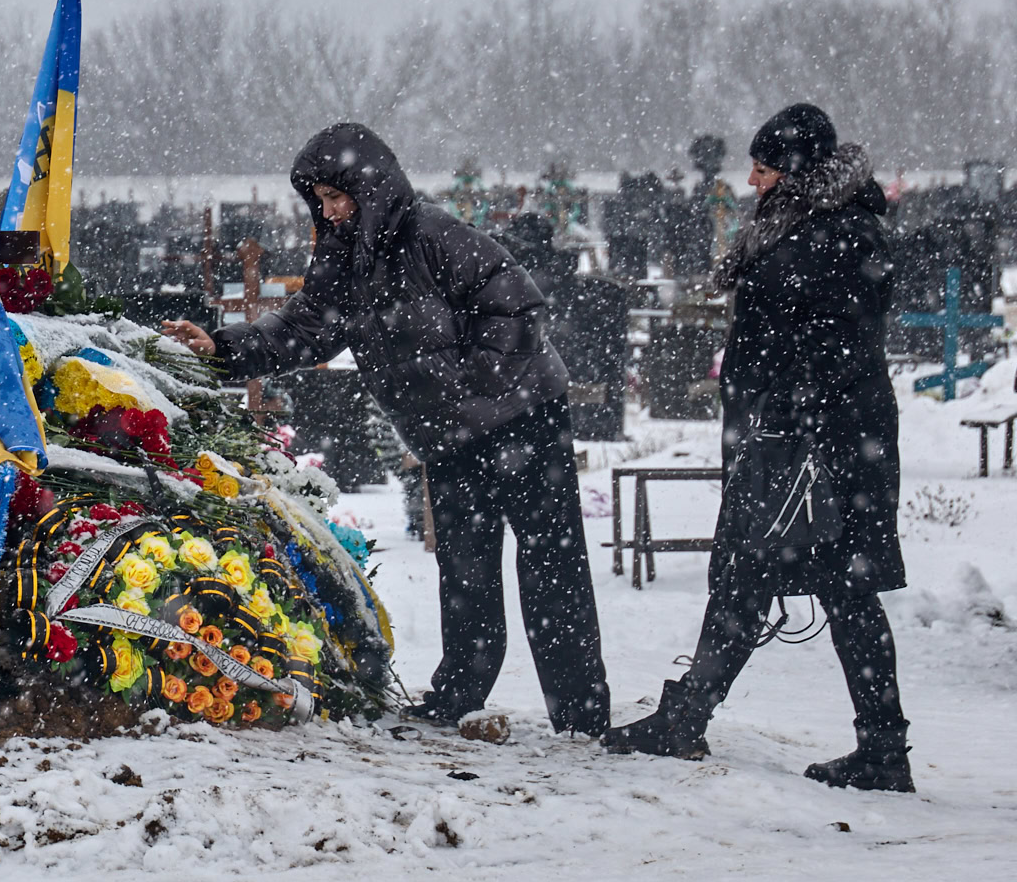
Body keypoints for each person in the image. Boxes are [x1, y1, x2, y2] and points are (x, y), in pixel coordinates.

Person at [162, 123, 611, 735]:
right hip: (451, 432)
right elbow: (303, 328)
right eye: (320, 200)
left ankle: (581, 712)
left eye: (337, 197)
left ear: (369, 188)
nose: (328, 211)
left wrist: (472, 386)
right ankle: (460, 693)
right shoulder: (346, 260)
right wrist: (220, 347)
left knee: (550, 560)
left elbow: (516, 304)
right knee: (465, 564)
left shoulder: (433, 234)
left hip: (521, 415)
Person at [605, 103, 912, 792]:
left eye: (764, 168)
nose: (751, 180)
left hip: (815, 446)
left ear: (796, 172)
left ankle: (699, 719)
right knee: (797, 583)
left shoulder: (834, 233)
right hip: (811, 439)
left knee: (787, 580)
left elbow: (831, 345)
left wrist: (784, 415)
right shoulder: (810, 224)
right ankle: (876, 745)